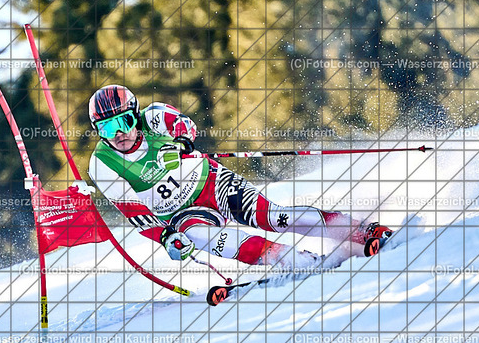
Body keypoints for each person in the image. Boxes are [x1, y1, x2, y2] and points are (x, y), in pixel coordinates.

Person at [87, 85, 392, 271]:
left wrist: (180, 144)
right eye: (107, 129)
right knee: (205, 238)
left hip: (211, 183)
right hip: (182, 214)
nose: (120, 134)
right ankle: (296, 261)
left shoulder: (153, 117)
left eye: (124, 121)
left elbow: (184, 125)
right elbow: (137, 215)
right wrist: (167, 238)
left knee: (272, 217)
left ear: (135, 115)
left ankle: (360, 231)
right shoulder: (102, 164)